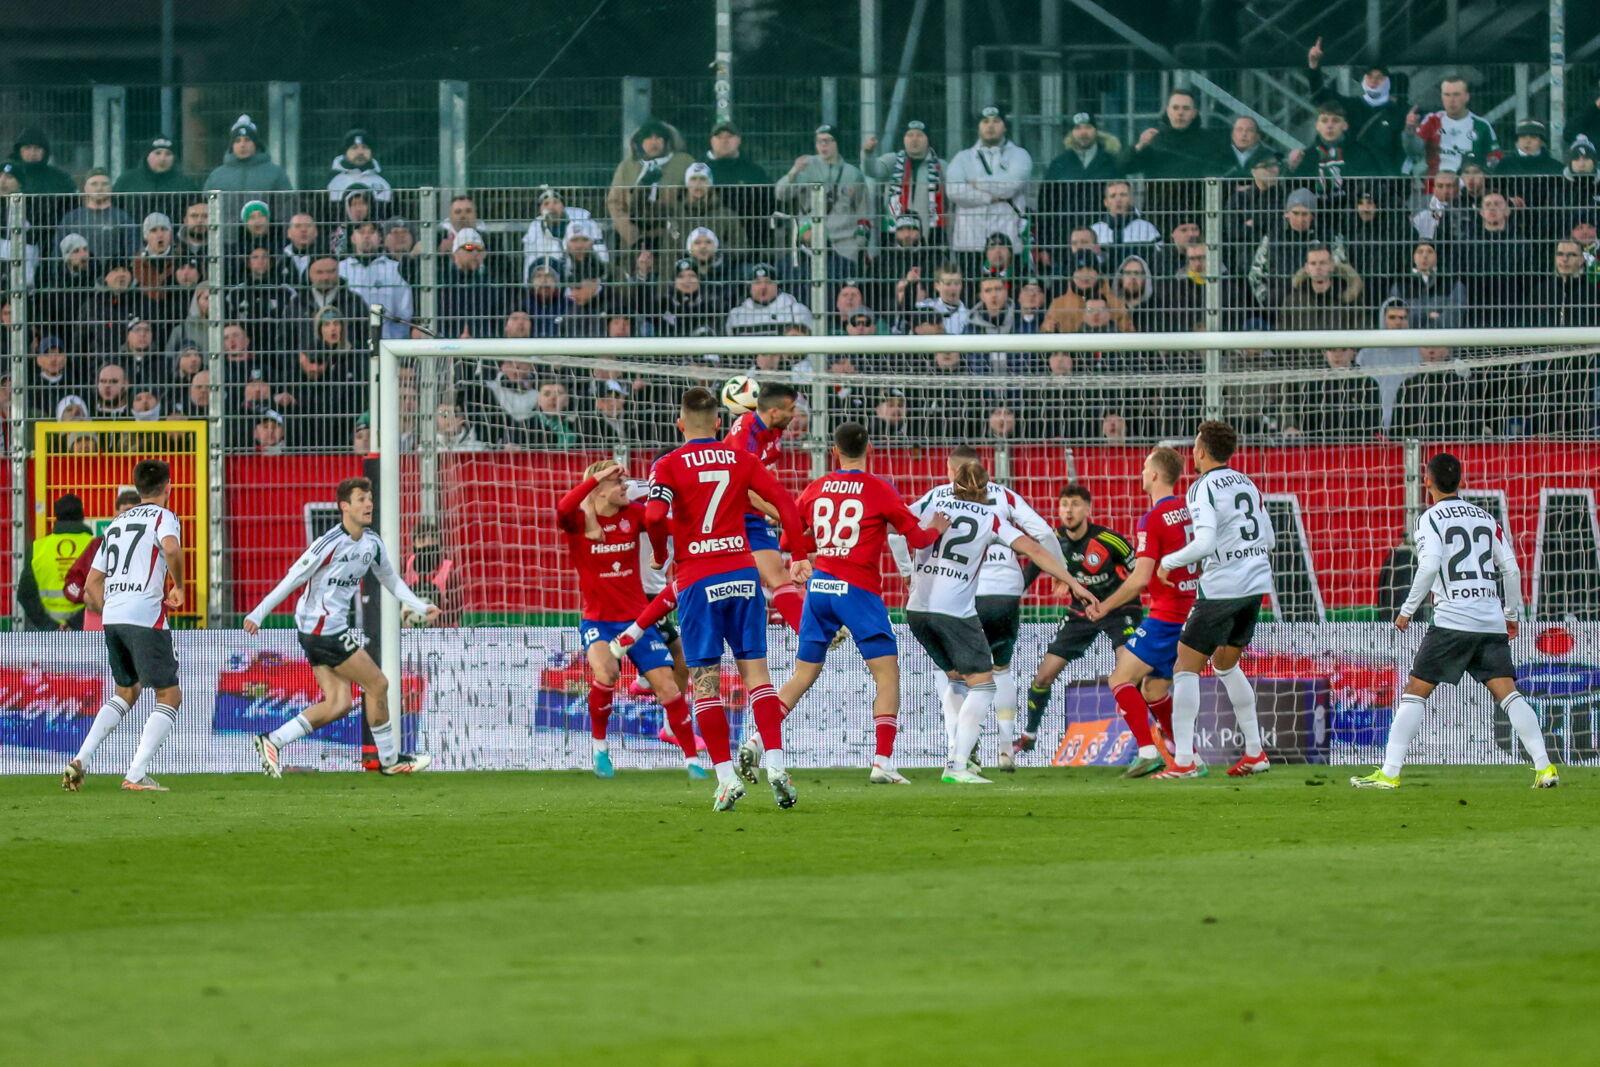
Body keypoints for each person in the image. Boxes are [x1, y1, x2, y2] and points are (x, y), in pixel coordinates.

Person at [643, 387, 808, 811]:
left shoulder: (667, 464)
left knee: (706, 683)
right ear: (719, 423)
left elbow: (654, 515)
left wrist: (662, 554)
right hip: (743, 575)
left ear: (681, 424)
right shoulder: (743, 458)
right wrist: (800, 555)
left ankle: (725, 778)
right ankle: (775, 764)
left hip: (700, 580)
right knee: (757, 676)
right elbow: (785, 503)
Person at [1353, 453, 1559, 789]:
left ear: (1427, 481)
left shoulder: (1430, 519)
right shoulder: (1485, 518)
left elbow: (1430, 564)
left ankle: (1389, 773)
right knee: (1508, 694)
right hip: (1489, 619)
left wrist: (1406, 609)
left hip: (1452, 621)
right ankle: (1545, 767)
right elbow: (1510, 568)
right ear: (1460, 481)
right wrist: (1510, 615)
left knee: (1415, 692)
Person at [903, 452, 1096, 784]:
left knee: (955, 678)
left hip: (917, 609)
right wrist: (1073, 580)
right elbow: (1036, 546)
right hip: (963, 607)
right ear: (985, 488)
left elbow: (896, 527)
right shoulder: (991, 514)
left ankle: (958, 750)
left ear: (953, 481)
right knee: (987, 682)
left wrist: (906, 570)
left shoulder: (934, 502)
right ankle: (963, 762)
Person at [776, 422, 949, 785]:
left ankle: (759, 741)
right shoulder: (879, 490)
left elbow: (789, 530)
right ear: (868, 448)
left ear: (833, 452)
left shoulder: (816, 487)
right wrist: (936, 526)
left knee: (802, 675)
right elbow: (917, 539)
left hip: (820, 589)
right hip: (858, 591)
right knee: (887, 677)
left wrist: (802, 553)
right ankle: (882, 761)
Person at [243, 477, 439, 778]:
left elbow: (391, 579)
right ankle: (390, 761)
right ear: (344, 506)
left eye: (370, 498)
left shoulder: (371, 543)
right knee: (378, 685)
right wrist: (258, 613)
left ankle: (273, 740)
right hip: (324, 631)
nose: (369, 503)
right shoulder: (329, 543)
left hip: (322, 630)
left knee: (339, 703)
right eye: (361, 499)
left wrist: (418, 605)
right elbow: (293, 578)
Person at [557, 461, 704, 780]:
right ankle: (600, 750)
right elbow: (563, 506)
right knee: (606, 672)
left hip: (638, 620)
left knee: (667, 685)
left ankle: (693, 761)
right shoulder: (579, 523)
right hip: (599, 620)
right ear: (598, 489)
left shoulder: (633, 515)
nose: (626, 486)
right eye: (618, 482)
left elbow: (668, 524)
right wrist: (596, 477)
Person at [1153, 421, 1276, 779]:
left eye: (1194, 446)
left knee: (1184, 668)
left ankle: (1186, 760)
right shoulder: (1246, 482)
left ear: (1202, 451)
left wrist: (1170, 561)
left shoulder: (1201, 488)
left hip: (1223, 587)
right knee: (1224, 665)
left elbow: (1205, 545)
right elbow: (1267, 537)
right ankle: (1254, 752)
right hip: (1255, 586)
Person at [60, 460, 186, 793]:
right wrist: (180, 585)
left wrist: (111, 608)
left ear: (137, 487)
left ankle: (80, 760)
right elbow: (171, 547)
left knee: (126, 691)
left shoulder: (116, 523)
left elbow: (92, 582)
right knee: (169, 694)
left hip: (113, 617)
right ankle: (136, 774)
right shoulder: (164, 516)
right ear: (168, 487)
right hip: (144, 615)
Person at [1075, 448, 1201, 778]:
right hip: (1190, 610)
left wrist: (1104, 606)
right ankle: (1192, 758)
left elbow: (1140, 578)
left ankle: (1147, 751)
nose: (1142, 473)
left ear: (1156, 474)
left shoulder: (1153, 518)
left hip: (1166, 615)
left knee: (1120, 678)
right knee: (1154, 690)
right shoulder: (1189, 511)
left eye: (1146, 468)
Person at [1016, 484, 1139, 759]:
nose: (1068, 511)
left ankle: (1147, 736)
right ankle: (1029, 735)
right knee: (1043, 675)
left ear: (1088, 509)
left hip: (1119, 609)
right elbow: (1028, 575)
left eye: (1074, 504)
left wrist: (1114, 603)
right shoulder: (1052, 541)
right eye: (1064, 505)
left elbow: (1140, 572)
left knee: (1128, 674)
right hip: (1081, 613)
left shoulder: (1110, 540)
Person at [722, 382, 807, 634]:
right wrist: (781, 515)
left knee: (776, 577)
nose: (795, 414)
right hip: (731, 514)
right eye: (791, 409)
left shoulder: (773, 429)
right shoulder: (745, 436)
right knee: (744, 583)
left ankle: (811, 634)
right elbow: (743, 487)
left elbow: (763, 477)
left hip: (751, 513)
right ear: (774, 411)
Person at [1304, 38, 1408, 175]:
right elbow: (1320, 97)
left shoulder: (1399, 112)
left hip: (1387, 174)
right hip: (1356, 171)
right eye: (1370, 76)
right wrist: (1314, 67)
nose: (1374, 81)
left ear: (1387, 82)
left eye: (1379, 77)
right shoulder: (1351, 105)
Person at [776, 124, 873, 269]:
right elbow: (781, 194)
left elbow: (864, 210)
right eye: (819, 141)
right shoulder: (804, 168)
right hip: (810, 242)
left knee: (842, 286)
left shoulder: (852, 173)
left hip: (844, 243)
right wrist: (793, 172)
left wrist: (859, 242)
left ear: (837, 143)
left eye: (828, 140)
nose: (823, 145)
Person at [946, 107, 1033, 266]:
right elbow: (953, 191)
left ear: (1005, 126)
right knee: (971, 290)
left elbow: (1010, 186)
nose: (990, 126)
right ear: (979, 127)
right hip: (970, 242)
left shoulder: (1020, 155)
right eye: (985, 121)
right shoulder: (963, 158)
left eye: (996, 121)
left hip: (1008, 241)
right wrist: (988, 197)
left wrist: (976, 183)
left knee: (1010, 289)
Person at [62, 489, 142, 632]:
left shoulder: (149, 548)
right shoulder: (98, 546)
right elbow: (71, 583)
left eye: (135, 513)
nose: (130, 518)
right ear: (116, 514)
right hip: (98, 625)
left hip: (136, 624)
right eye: (126, 512)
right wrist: (85, 596)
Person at [861, 118, 947, 242]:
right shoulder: (893, 161)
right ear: (904, 139)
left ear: (928, 140)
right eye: (909, 135)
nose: (914, 139)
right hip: (895, 231)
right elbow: (872, 170)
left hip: (930, 233)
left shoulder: (940, 166)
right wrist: (867, 154)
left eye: (919, 135)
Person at [18, 493, 95, 631]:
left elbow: (25, 593)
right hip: (84, 630)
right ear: (82, 516)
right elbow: (102, 591)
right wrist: (73, 624)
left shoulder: (38, 547)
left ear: (56, 517)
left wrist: (50, 625)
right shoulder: (94, 545)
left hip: (46, 632)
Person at [1406, 76, 1500, 178]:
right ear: (1442, 97)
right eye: (1447, 95)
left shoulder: (1482, 125)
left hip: (1468, 188)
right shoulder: (1431, 121)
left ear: (1467, 97)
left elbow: (1494, 158)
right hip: (1435, 187)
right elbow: (1413, 151)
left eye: (1456, 95)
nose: (1451, 100)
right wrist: (1410, 131)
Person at [113, 135, 197, 222]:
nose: (162, 158)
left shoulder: (185, 183)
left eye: (168, 154)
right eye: (158, 153)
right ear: (147, 156)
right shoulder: (127, 180)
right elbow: (113, 209)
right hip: (132, 234)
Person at [326, 128, 393, 206]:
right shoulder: (330, 180)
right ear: (345, 152)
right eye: (354, 147)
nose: (360, 152)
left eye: (365, 147)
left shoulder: (384, 180)